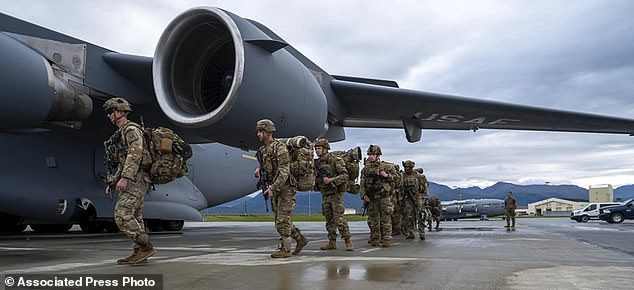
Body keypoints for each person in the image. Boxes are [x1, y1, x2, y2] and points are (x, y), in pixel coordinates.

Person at [103, 97, 156, 265]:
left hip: (137, 178)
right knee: (135, 215)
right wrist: (113, 181)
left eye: (111, 112)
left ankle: (146, 247)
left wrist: (125, 178)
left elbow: (135, 155)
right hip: (136, 177)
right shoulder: (123, 132)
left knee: (122, 214)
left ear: (120, 112)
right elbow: (123, 160)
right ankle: (139, 252)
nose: (109, 116)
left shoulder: (131, 129)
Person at [254, 119, 308, 258]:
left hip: (285, 189)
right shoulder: (262, 150)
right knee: (280, 219)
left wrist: (273, 187)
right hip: (275, 188)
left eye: (261, 131)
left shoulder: (280, 148)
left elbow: (284, 171)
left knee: (282, 221)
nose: (258, 134)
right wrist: (259, 170)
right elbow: (267, 166)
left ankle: (286, 250)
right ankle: (300, 239)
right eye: (258, 131)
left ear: (268, 132)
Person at [314, 138, 354, 251]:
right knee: (329, 220)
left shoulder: (336, 160)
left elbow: (345, 176)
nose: (317, 151)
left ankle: (348, 241)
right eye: (316, 149)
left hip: (335, 194)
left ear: (326, 149)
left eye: (319, 148)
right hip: (325, 194)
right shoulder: (316, 163)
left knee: (339, 220)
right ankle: (332, 242)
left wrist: (332, 180)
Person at [360, 145, 397, 247]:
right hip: (372, 197)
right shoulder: (365, 170)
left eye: (373, 154)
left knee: (386, 219)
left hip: (384, 196)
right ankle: (375, 238)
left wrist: (387, 175)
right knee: (373, 220)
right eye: (369, 154)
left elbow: (398, 179)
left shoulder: (386, 167)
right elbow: (362, 183)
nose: (371, 156)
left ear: (378, 155)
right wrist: (363, 195)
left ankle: (386, 239)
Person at [401, 160, 426, 240]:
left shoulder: (419, 176)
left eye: (408, 167)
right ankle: (410, 233)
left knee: (420, 215)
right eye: (405, 167)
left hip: (418, 197)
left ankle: (421, 232)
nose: (406, 169)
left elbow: (424, 187)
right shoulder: (403, 176)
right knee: (408, 215)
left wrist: (418, 191)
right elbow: (400, 187)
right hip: (408, 198)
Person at [391, 165, 404, 236]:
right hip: (394, 196)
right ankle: (396, 229)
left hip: (397, 197)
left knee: (396, 214)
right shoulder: (398, 176)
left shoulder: (398, 177)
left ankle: (397, 229)